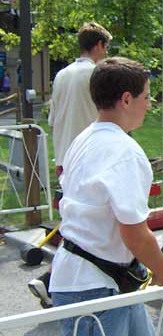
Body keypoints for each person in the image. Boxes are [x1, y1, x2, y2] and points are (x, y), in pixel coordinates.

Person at [49, 57, 163, 336]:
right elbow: (134, 233)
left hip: (111, 281)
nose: (150, 105)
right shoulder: (125, 152)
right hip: (91, 288)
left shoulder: (84, 139)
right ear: (126, 99)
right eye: (147, 97)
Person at [27, 22, 112, 309]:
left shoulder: (61, 74)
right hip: (89, 159)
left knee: (75, 226)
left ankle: (55, 281)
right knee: (85, 229)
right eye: (106, 48)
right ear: (98, 45)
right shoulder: (97, 75)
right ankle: (54, 280)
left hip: (65, 157)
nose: (106, 53)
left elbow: (53, 118)